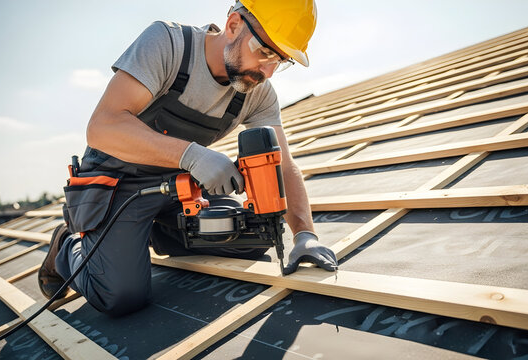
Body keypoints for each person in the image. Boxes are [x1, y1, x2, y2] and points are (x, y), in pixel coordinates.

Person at [38, 0, 337, 317]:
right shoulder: (168, 45)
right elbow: (103, 127)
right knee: (120, 296)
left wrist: (304, 234)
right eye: (265, 52)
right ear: (234, 24)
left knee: (252, 235)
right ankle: (66, 246)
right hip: (118, 185)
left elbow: (283, 165)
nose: (268, 70)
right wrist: (191, 155)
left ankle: (149, 233)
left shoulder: (258, 92)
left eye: (280, 60)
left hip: (178, 187)